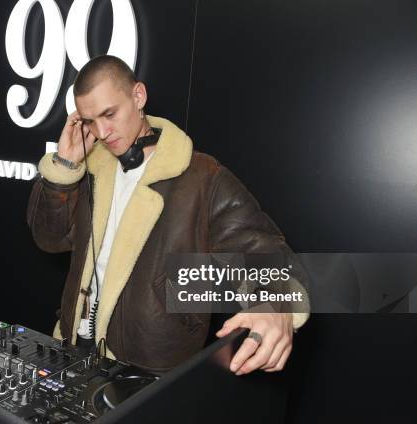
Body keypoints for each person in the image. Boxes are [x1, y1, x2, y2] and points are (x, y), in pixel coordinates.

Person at [27, 55, 309, 375]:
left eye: (110, 114)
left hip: (148, 368)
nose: (102, 132)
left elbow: (268, 257)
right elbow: (50, 239)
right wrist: (65, 167)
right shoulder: (90, 167)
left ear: (138, 96)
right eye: (90, 121)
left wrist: (275, 308)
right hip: (71, 350)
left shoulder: (202, 178)